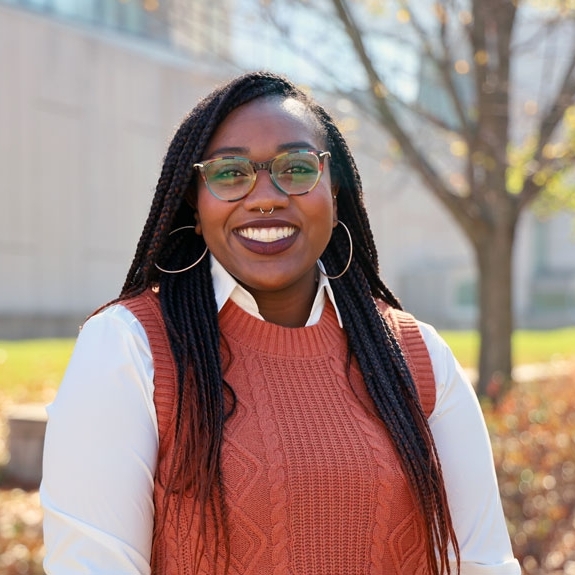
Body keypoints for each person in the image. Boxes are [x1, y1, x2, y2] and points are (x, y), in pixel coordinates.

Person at [41, 71, 520, 575]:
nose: (265, 196)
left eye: (296, 168)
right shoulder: (129, 348)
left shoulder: (416, 356)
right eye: (230, 173)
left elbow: (487, 564)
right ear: (194, 202)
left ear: (335, 190)